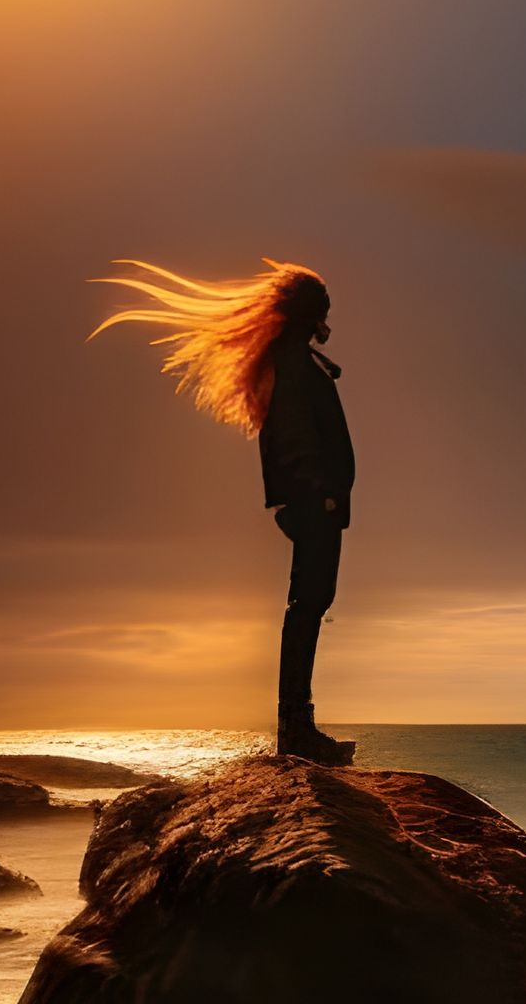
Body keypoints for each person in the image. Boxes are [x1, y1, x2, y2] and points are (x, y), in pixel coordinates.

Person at [86, 257, 356, 765]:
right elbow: (295, 435)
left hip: (316, 502)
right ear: (305, 312)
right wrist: (317, 494)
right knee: (308, 605)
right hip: (315, 502)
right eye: (322, 306)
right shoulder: (295, 364)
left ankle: (297, 727)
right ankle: (296, 730)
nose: (328, 315)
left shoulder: (296, 359)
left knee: (310, 604)